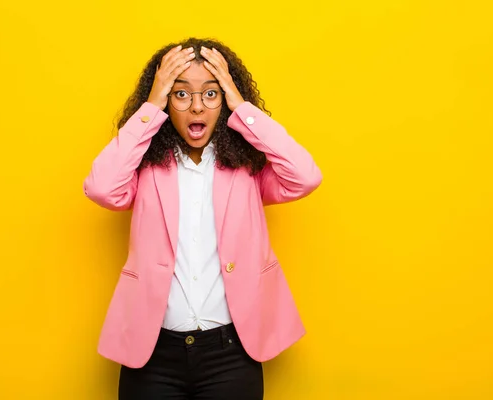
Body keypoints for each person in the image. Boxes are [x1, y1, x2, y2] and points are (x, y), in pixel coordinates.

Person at [83, 37, 322, 399]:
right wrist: (150, 106)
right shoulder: (145, 169)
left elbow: (305, 176)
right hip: (152, 355)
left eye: (211, 94)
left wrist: (242, 106)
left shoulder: (248, 170)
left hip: (230, 353)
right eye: (181, 94)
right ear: (166, 100)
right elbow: (102, 188)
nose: (196, 107)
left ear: (224, 102)